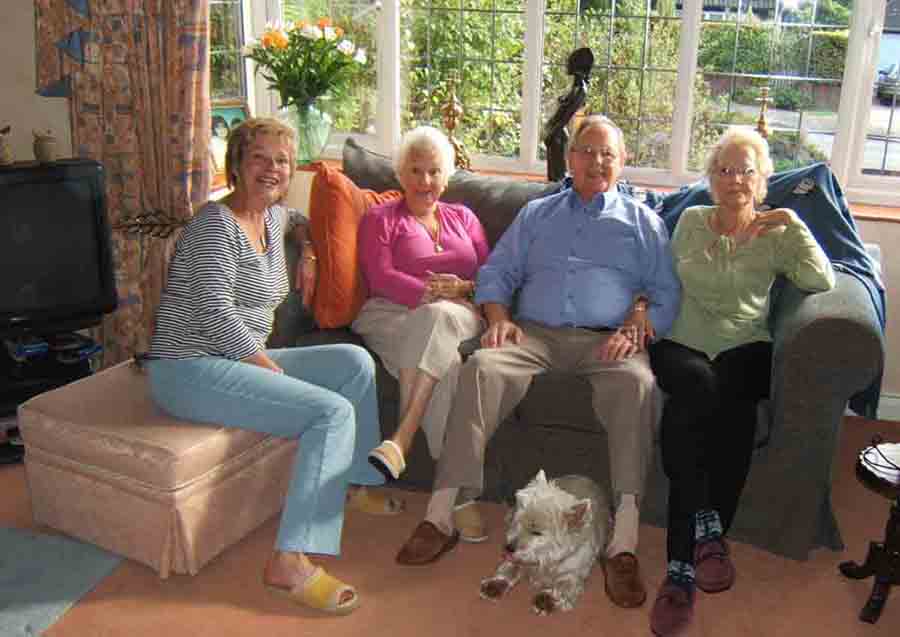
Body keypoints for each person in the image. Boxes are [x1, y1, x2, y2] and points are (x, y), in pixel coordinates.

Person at [394, 115, 682, 613]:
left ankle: (624, 542)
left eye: (607, 154)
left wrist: (639, 326)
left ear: (623, 161)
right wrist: (498, 317)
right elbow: (497, 272)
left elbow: (667, 294)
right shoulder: (536, 214)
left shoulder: (643, 223)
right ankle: (440, 515)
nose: (596, 162)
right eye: (587, 152)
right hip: (534, 333)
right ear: (570, 159)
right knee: (481, 368)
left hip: (607, 341)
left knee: (638, 384)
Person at [143, 117, 402, 616]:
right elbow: (215, 313)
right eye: (259, 157)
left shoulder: (270, 217)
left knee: (354, 362)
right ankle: (289, 559)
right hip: (189, 367)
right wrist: (266, 366)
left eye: (281, 160)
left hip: (232, 360)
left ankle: (355, 481)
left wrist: (310, 252)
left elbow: (298, 218)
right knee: (329, 413)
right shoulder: (215, 226)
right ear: (237, 164)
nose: (272, 169)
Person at [646, 127, 835, 636]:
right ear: (711, 179)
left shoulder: (778, 231)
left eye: (746, 170)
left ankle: (683, 564)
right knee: (698, 389)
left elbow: (821, 279)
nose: (735, 180)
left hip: (745, 343)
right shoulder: (691, 221)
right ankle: (702, 538)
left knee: (728, 400)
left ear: (762, 178)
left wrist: (794, 223)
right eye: (725, 170)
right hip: (681, 342)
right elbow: (665, 279)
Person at [352, 125, 491, 541]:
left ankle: (403, 437)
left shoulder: (464, 218)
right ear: (400, 174)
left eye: (434, 171)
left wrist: (462, 289)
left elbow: (492, 275)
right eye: (415, 170)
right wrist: (429, 292)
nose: (424, 180)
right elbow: (380, 276)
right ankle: (456, 497)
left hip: (459, 314)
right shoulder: (379, 219)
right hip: (390, 314)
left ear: (446, 177)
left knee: (438, 321)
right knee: (446, 367)